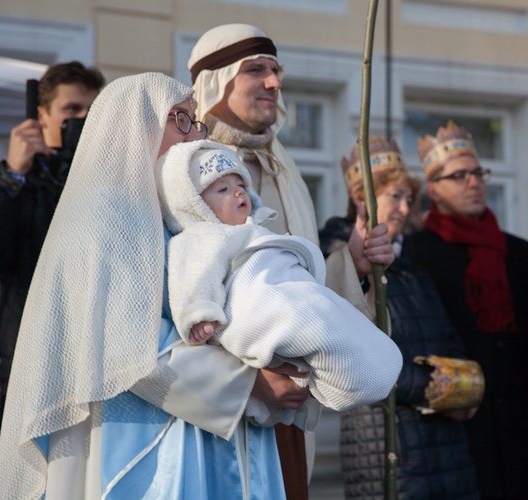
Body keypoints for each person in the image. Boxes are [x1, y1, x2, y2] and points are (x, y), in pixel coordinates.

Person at [0, 72, 311, 499]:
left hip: (197, 428)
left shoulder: (168, 214)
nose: (194, 135)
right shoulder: (105, 212)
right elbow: (128, 344)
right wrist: (249, 383)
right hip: (141, 450)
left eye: (195, 122)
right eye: (180, 119)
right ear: (131, 127)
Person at [187, 23, 395, 498]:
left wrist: (351, 263)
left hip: (291, 406)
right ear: (215, 82)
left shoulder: (285, 165)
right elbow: (178, 296)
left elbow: (297, 289)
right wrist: (246, 382)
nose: (275, 83)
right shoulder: (189, 167)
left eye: (277, 71)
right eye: (256, 70)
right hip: (220, 407)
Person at [155, 139, 402, 427]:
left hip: (288, 296)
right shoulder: (201, 237)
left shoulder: (279, 174)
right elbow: (196, 273)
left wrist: (349, 266)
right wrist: (199, 313)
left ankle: (366, 366)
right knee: (318, 331)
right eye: (223, 189)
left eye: (241, 185)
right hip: (258, 307)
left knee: (341, 332)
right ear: (194, 205)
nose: (238, 192)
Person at [409, 121, 528, 500]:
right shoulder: (416, 252)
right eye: (459, 175)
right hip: (451, 422)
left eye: (478, 172)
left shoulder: (516, 250)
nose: (474, 182)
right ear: (433, 190)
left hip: (511, 421)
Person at [319, 137, 480, 499]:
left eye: (410, 200)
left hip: (444, 436)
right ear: (362, 200)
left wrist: (466, 388)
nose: (406, 209)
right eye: (395, 197)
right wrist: (437, 389)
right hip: (386, 442)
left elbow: (446, 336)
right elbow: (354, 354)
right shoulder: (335, 257)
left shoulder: (412, 267)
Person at [0, 61, 105, 432]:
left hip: (98, 370)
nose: (82, 121)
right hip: (31, 373)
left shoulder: (111, 182)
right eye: (71, 110)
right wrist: (11, 174)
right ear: (40, 117)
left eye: (91, 112)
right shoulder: (20, 183)